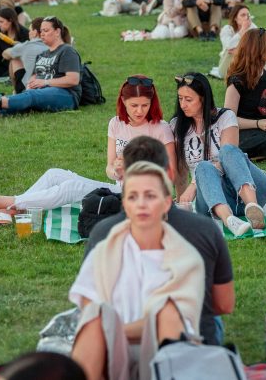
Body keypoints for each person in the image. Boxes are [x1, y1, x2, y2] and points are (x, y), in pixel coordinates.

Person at [0, 76, 176, 226]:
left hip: (139, 196)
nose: (139, 111)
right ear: (123, 102)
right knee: (54, 174)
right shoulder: (116, 124)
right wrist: (116, 169)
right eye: (134, 105)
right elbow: (109, 168)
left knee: (72, 187)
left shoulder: (160, 128)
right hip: (117, 187)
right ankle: (12, 210)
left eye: (144, 105)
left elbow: (170, 175)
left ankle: (2, 202)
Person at [85, 136, 235, 347]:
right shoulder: (205, 230)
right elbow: (223, 304)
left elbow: (92, 305)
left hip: (126, 341)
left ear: (123, 178)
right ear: (170, 175)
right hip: (192, 343)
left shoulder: (103, 233)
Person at [69, 161, 204, 380]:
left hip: (163, 353)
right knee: (95, 315)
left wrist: (114, 330)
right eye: (133, 197)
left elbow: (175, 326)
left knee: (165, 312)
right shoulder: (105, 252)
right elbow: (89, 316)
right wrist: (111, 330)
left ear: (167, 203)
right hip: (111, 351)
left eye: (149, 196)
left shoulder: (186, 259)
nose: (141, 204)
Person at [170, 73, 266, 238]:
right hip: (213, 198)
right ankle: (229, 220)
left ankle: (253, 207)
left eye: (189, 100)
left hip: (250, 190)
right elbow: (180, 170)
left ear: (203, 99)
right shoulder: (176, 126)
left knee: (228, 151)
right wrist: (182, 200)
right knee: (203, 167)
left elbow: (227, 160)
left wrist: (193, 185)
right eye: (180, 98)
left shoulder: (225, 117)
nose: (183, 105)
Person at [0, 16, 80, 116]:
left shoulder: (67, 51)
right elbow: (37, 74)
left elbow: (73, 80)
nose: (42, 34)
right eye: (41, 31)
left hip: (66, 95)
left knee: (32, 96)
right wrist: (31, 83)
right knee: (28, 98)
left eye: (46, 30)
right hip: (42, 92)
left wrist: (45, 82)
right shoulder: (45, 53)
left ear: (57, 32)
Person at [224, 29, 266, 160]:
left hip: (262, 131)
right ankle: (243, 154)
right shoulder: (237, 81)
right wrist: (258, 123)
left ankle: (260, 154)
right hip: (241, 133)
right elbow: (228, 120)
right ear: (257, 49)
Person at [2, 17, 47, 93]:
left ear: (35, 32)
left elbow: (5, 54)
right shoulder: (55, 44)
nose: (28, 33)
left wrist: (19, 48)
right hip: (52, 85)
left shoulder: (28, 45)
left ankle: (16, 92)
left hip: (32, 87)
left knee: (14, 59)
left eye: (30, 30)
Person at [0, 7, 29, 80]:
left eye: (1, 22)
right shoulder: (1, 36)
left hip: (20, 65)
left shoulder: (24, 33)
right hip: (5, 66)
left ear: (10, 20)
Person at [214, 4, 257, 80]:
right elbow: (229, 46)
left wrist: (239, 51)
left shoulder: (252, 27)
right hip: (228, 63)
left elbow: (258, 46)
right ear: (235, 18)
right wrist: (243, 30)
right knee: (230, 52)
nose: (246, 17)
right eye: (243, 15)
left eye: (248, 15)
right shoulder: (227, 29)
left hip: (247, 60)